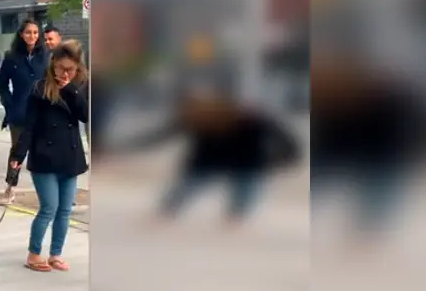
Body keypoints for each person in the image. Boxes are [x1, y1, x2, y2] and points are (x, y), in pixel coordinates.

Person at [120, 85, 299, 227]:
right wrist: (122, 148)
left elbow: (286, 141)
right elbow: (158, 136)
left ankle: (233, 221)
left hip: (246, 163)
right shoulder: (195, 116)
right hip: (210, 162)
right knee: (185, 189)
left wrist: (281, 159)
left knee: (243, 194)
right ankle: (164, 214)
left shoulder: (252, 117)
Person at [9, 40, 89, 272]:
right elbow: (29, 126)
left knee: (65, 210)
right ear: (53, 65)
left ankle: (56, 253)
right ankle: (34, 254)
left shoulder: (80, 86)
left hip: (70, 156)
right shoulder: (40, 89)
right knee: (49, 208)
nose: (65, 73)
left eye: (71, 69)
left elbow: (85, 115)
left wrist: (70, 89)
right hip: (45, 156)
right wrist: (18, 154)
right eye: (61, 68)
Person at [0, 19, 49, 186]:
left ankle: (46, 187)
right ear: (21, 34)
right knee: (17, 150)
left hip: (43, 111)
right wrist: (9, 104)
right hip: (19, 112)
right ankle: (11, 185)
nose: (32, 36)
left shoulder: (45, 56)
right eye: (28, 32)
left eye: (35, 32)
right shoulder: (12, 57)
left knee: (43, 151)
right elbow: (1, 84)